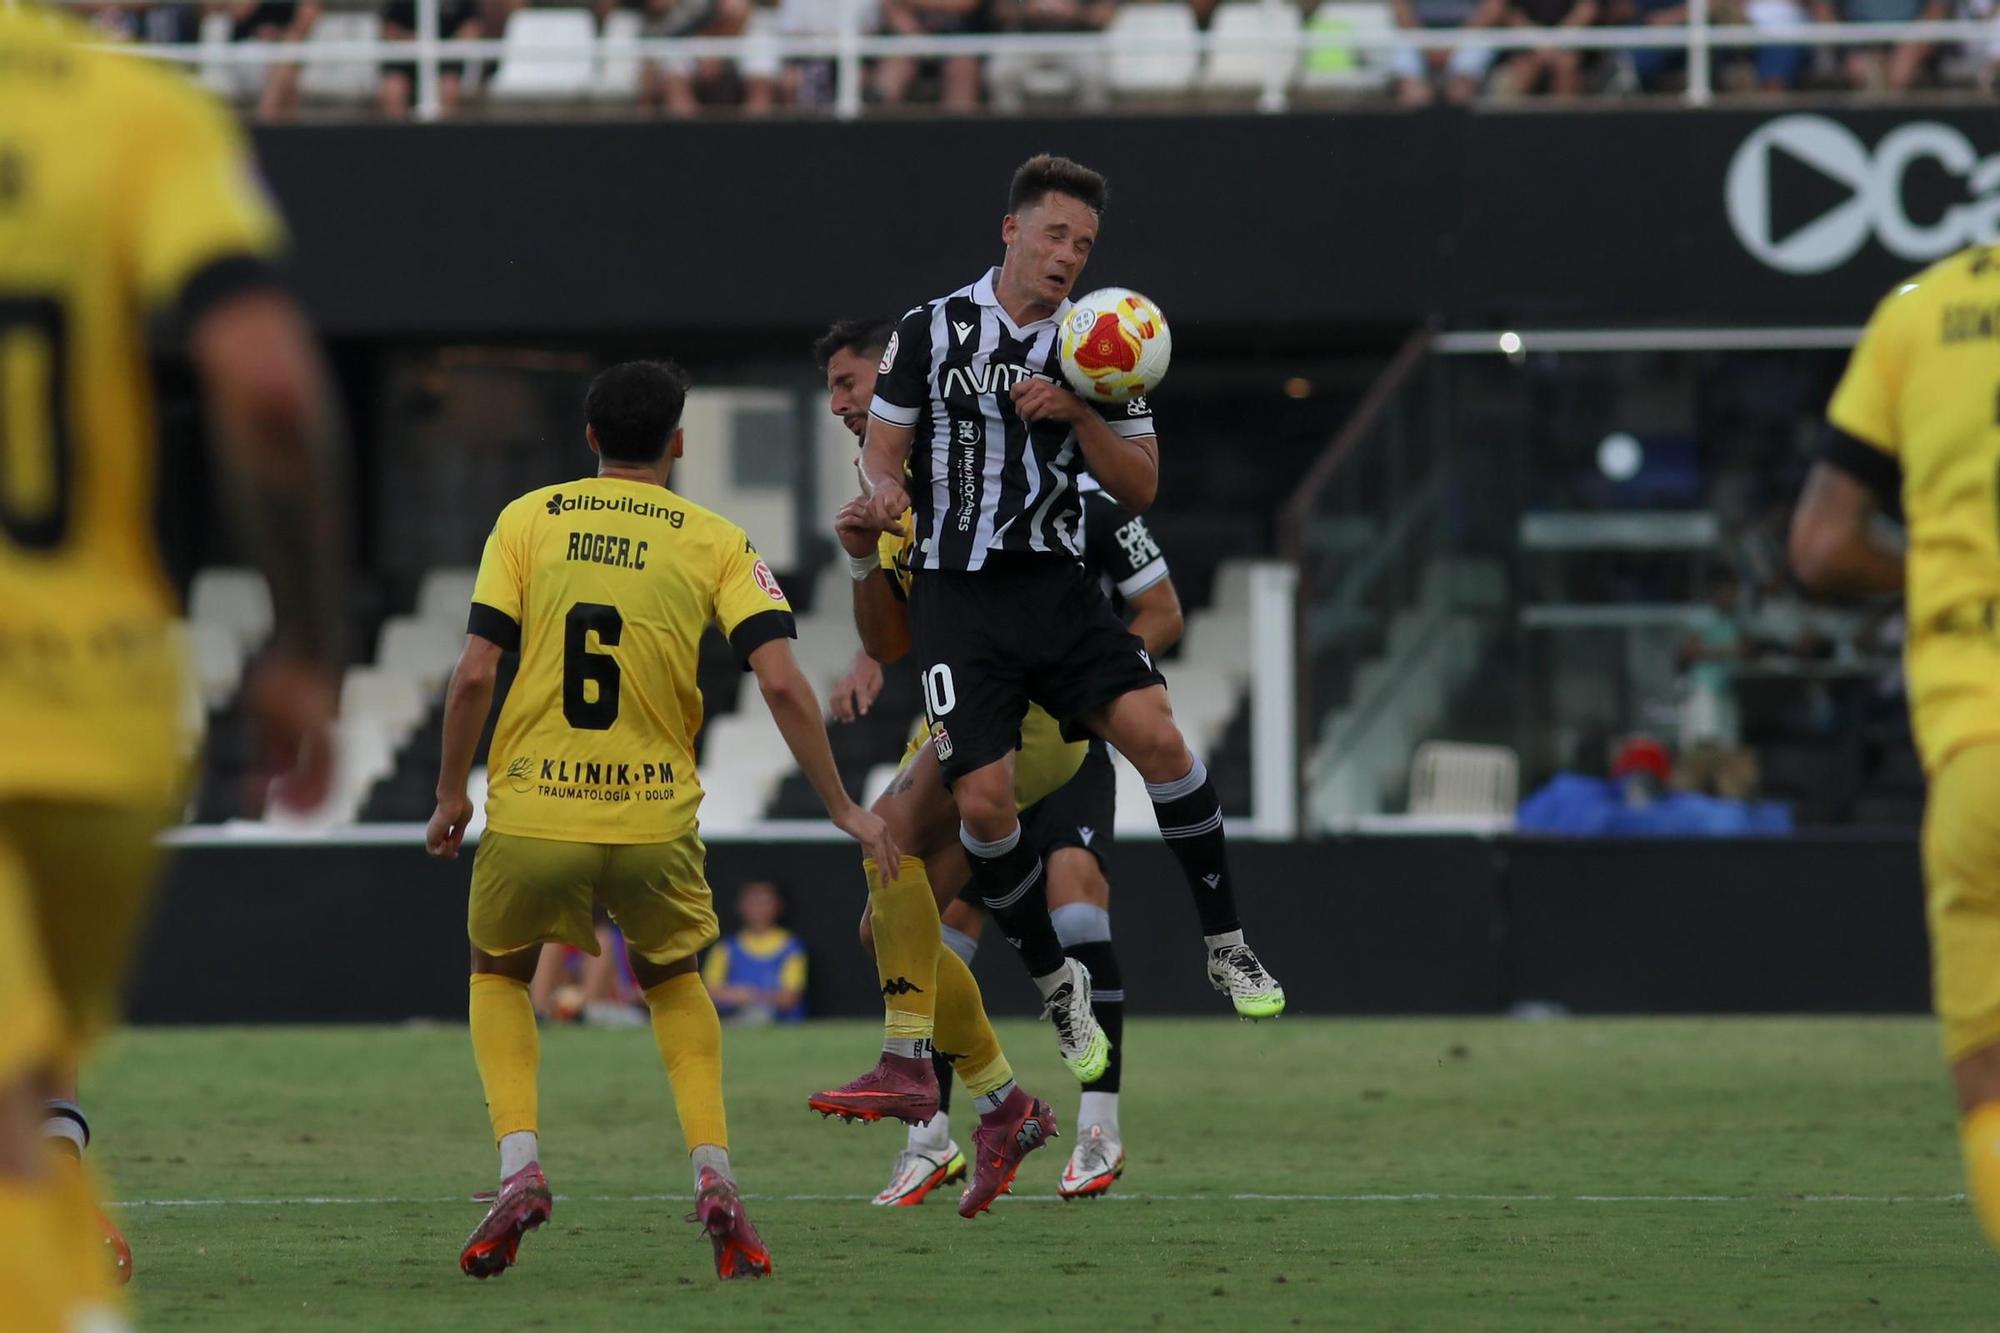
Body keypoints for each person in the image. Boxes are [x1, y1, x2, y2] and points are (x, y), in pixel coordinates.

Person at [1, 8, 345, 1322]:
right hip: (104, 712)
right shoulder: (139, 113)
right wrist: (307, 644)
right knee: (28, 1083)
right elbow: (263, 380)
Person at [425, 360, 895, 1282]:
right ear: (678, 443)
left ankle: (520, 1165)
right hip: (652, 815)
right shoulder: (717, 537)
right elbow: (781, 679)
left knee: (499, 974)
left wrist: (450, 795)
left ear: (589, 439)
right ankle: (713, 1172)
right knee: (673, 977)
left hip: (536, 807)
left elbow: (477, 670)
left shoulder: (528, 518)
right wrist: (842, 804)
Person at [853, 154, 1284, 1031]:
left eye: (1083, 244)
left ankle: (1226, 942)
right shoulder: (929, 330)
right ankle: (1057, 988)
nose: (1068, 257)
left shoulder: (1101, 340)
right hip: (957, 596)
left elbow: (1141, 487)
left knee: (1162, 740)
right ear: (1011, 230)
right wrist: (886, 488)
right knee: (983, 803)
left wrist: (1079, 413)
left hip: (1058, 591)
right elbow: (882, 445)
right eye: (1055, 234)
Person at [807, 319, 1084, 1216]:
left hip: (1029, 706)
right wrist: (859, 554)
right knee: (887, 928)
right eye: (836, 391)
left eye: (852, 382)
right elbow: (890, 638)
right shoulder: (888, 478)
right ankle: (1004, 1107)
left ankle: (918, 1083)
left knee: (883, 837)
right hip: (958, 705)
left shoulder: (961, 447)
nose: (843, 404)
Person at [1788, 244, 2000, 1255]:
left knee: (1990, 1079)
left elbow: (1821, 546)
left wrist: (1932, 575)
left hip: (1977, 750)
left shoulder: (1920, 311)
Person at [703, 880, 809, 1023]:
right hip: (734, 1019)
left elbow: (790, 997)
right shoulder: (726, 947)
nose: (758, 908)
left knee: (761, 1013)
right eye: (752, 902)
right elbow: (708, 992)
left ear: (777, 906)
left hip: (777, 1022)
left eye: (764, 902)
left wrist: (751, 996)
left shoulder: (790, 947)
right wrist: (735, 996)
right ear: (741, 906)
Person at [1389, 0, 1504, 105]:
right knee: (1412, 92)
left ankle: (1459, 123)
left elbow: (1494, 7)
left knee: (1461, 90)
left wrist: (1453, 46)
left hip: (1470, 36)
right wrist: (1426, 47)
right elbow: (1400, 8)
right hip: (1416, 36)